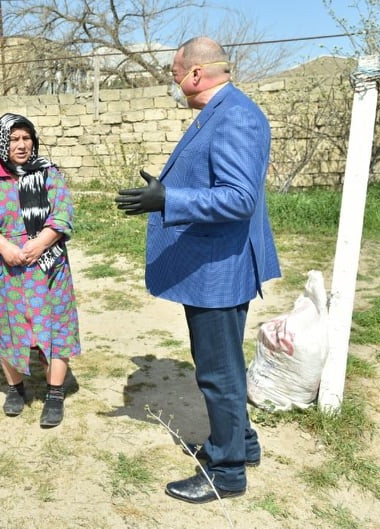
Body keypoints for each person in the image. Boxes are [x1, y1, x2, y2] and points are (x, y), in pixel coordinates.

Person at [115, 36, 281, 504]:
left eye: (173, 74)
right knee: (223, 365)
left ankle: (226, 473)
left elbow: (239, 198)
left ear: (195, 74)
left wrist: (169, 199)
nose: (172, 83)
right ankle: (240, 445)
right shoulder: (223, 111)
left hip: (220, 269)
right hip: (217, 262)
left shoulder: (234, 116)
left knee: (217, 373)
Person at [0, 113, 80, 428]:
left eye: (26, 138)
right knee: (7, 327)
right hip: (3, 268)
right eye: (14, 139)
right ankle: (16, 389)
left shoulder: (48, 174)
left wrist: (40, 243)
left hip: (47, 266)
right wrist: (5, 248)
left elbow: (63, 213)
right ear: (3, 141)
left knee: (56, 327)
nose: (21, 145)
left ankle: (55, 394)